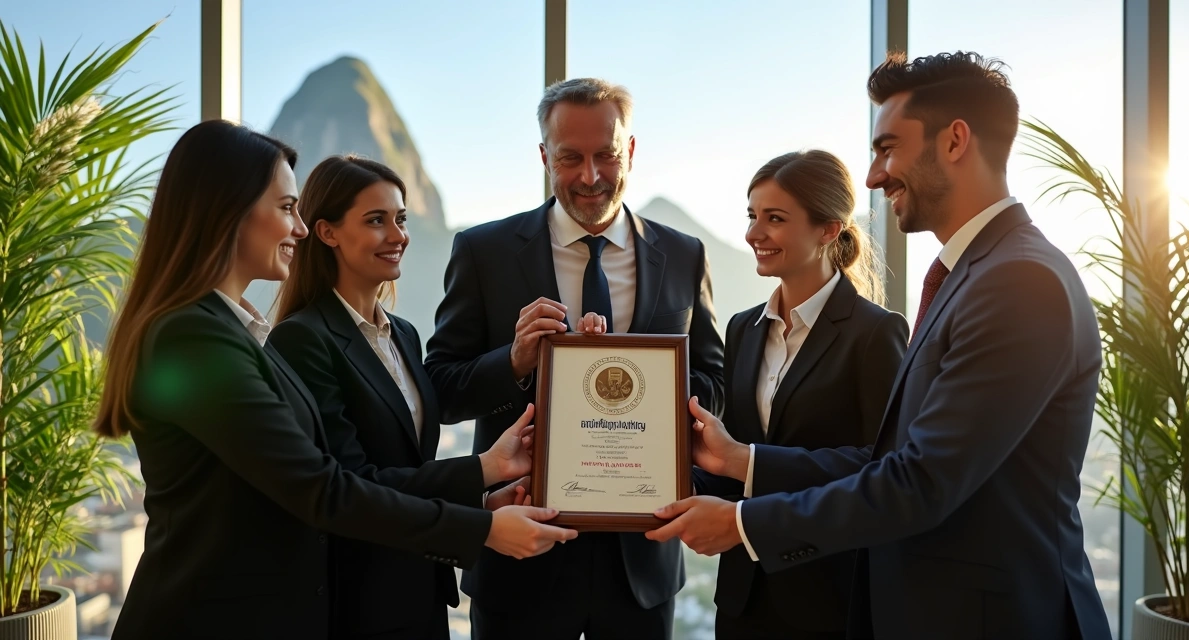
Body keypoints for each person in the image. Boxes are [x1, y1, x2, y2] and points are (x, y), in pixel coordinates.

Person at [648, 52, 1111, 640]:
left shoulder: (1018, 280)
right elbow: (891, 459)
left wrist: (745, 524)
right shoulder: (972, 274)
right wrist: (734, 462)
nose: (871, 176)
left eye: (888, 147)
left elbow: (919, 482)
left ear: (955, 141)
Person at [95, 121, 576, 640]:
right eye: (286, 208)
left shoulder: (231, 331)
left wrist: (483, 491)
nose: (299, 229)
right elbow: (323, 487)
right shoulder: (196, 337)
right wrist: (481, 524)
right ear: (229, 211)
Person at [424, 78, 726, 639]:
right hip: (520, 557)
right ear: (544, 157)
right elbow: (439, 388)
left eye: (606, 155)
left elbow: (713, 380)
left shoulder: (685, 255)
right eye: (570, 159)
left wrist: (649, 378)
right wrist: (514, 361)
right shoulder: (483, 252)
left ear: (630, 151)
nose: (590, 177)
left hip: (642, 563)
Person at [268, 154, 532, 639]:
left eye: (401, 219)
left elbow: (407, 465)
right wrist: (485, 468)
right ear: (326, 232)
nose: (398, 235)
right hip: (358, 600)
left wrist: (482, 501)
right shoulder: (302, 339)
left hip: (421, 585)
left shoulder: (404, 336)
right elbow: (351, 483)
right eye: (376, 220)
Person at [693, 150, 907, 639]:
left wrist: (746, 461)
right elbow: (732, 462)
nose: (753, 234)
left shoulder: (876, 333)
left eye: (774, 219)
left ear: (828, 229)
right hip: (744, 597)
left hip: (831, 597)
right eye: (752, 216)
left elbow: (884, 466)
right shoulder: (743, 328)